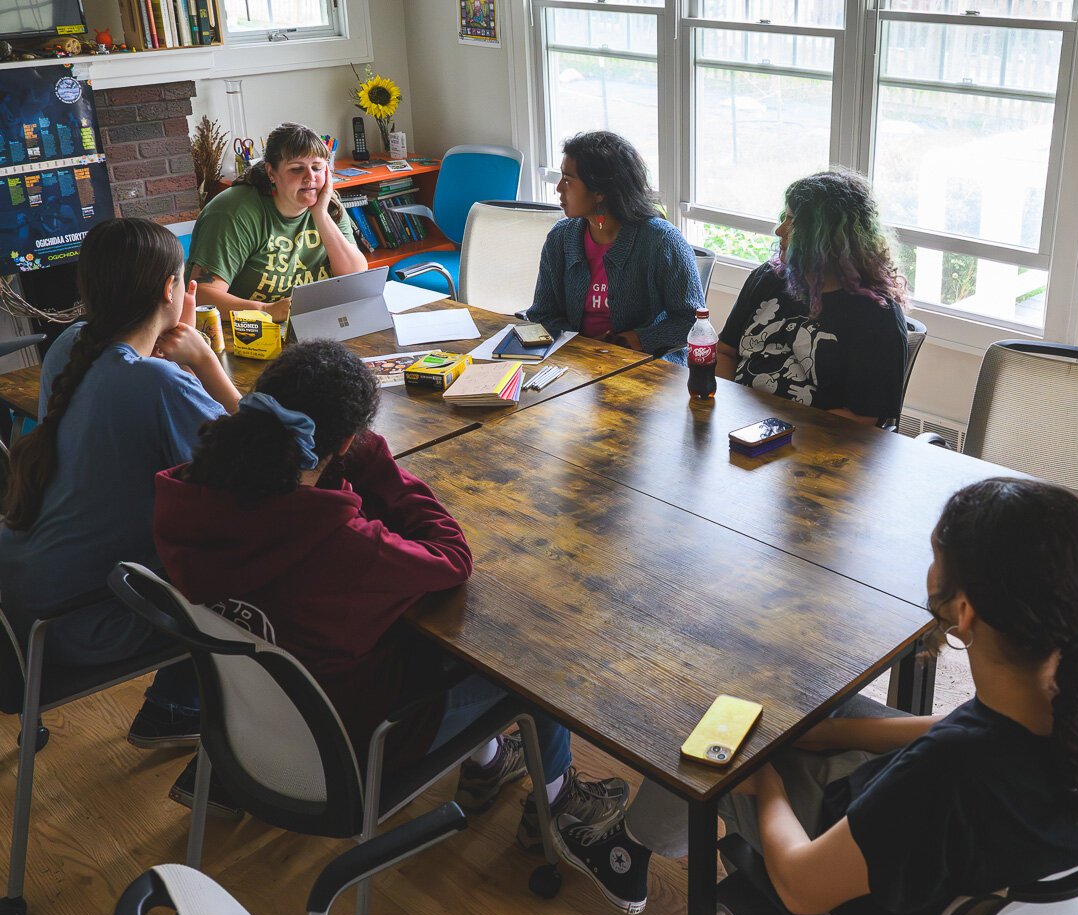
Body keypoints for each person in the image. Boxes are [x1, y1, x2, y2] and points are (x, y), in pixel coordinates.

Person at [580, 477, 1078, 915]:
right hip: (979, 857)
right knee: (806, 701)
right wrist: (836, 733)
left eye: (936, 558)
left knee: (713, 724)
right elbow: (970, 725)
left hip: (863, 877)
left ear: (965, 611)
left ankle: (628, 846)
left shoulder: (949, 773)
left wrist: (764, 781)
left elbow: (802, 887)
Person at [150, 340, 629, 828]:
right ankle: (558, 804)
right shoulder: (342, 545)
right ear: (345, 442)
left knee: (422, 633)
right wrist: (376, 461)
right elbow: (452, 557)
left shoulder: (187, 500)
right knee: (529, 655)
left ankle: (488, 764)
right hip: (353, 746)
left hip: (251, 729)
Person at [0, 217, 240, 748]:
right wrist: (204, 360)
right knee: (246, 553)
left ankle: (178, 706)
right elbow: (263, 457)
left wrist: (169, 354)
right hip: (80, 622)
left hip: (19, 600)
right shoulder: (153, 381)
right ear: (170, 289)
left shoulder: (70, 346)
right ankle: (198, 720)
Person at [717, 170, 908, 425]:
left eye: (793, 222)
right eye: (784, 217)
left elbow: (860, 419)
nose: (779, 230)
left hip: (814, 442)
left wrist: (780, 434)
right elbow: (725, 352)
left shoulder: (876, 316)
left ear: (827, 238)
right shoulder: (768, 278)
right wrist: (727, 413)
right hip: (740, 427)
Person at [522, 131, 702, 362]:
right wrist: (583, 346)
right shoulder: (561, 237)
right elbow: (542, 313)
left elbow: (694, 321)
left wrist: (636, 340)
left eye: (567, 180)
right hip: (576, 361)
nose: (558, 188)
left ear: (600, 191)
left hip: (645, 364)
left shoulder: (662, 241)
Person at [187, 123, 368, 321]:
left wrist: (321, 215)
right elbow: (202, 297)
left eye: (317, 168)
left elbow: (355, 277)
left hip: (310, 321)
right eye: (296, 169)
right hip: (243, 328)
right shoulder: (234, 212)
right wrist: (267, 310)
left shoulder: (328, 204)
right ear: (271, 173)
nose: (310, 177)